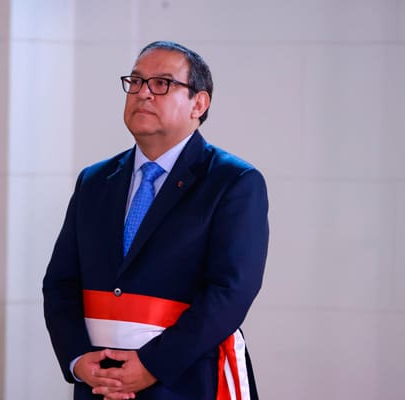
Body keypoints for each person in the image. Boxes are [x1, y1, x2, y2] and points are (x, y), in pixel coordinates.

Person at [43, 40, 269, 400]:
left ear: (199, 103)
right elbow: (60, 284)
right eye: (135, 81)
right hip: (99, 383)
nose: (143, 93)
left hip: (185, 382)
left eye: (162, 83)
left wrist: (153, 365)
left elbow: (230, 292)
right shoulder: (95, 181)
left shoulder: (232, 182)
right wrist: (77, 360)